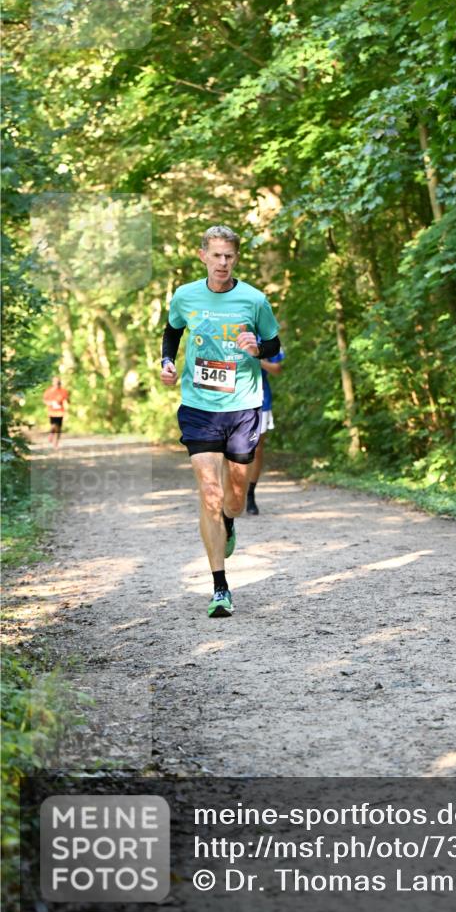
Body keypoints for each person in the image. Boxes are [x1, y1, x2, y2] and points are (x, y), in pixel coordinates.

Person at [159, 225, 281, 618]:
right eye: (216, 255)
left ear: (236, 258)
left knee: (234, 498)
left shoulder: (254, 299)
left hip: (243, 405)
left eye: (229, 256)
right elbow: (172, 331)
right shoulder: (185, 296)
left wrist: (257, 347)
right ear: (203, 256)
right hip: (199, 406)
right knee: (209, 492)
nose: (223, 262)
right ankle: (220, 587)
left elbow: (274, 346)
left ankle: (230, 521)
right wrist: (167, 362)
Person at [246, 345, 285, 515]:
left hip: (259, 399)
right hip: (229, 399)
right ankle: (229, 490)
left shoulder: (266, 337)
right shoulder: (226, 331)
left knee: (256, 448)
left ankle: (250, 494)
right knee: (228, 447)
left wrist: (257, 359)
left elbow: (277, 368)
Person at [42, 376, 69, 449]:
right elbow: (44, 400)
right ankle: (51, 433)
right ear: (53, 382)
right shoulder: (49, 391)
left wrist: (66, 412)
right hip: (52, 412)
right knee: (53, 426)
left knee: (59, 428)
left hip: (60, 412)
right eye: (55, 381)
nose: (57, 383)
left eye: (58, 381)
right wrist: (50, 403)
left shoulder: (63, 391)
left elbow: (65, 401)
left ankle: (56, 443)